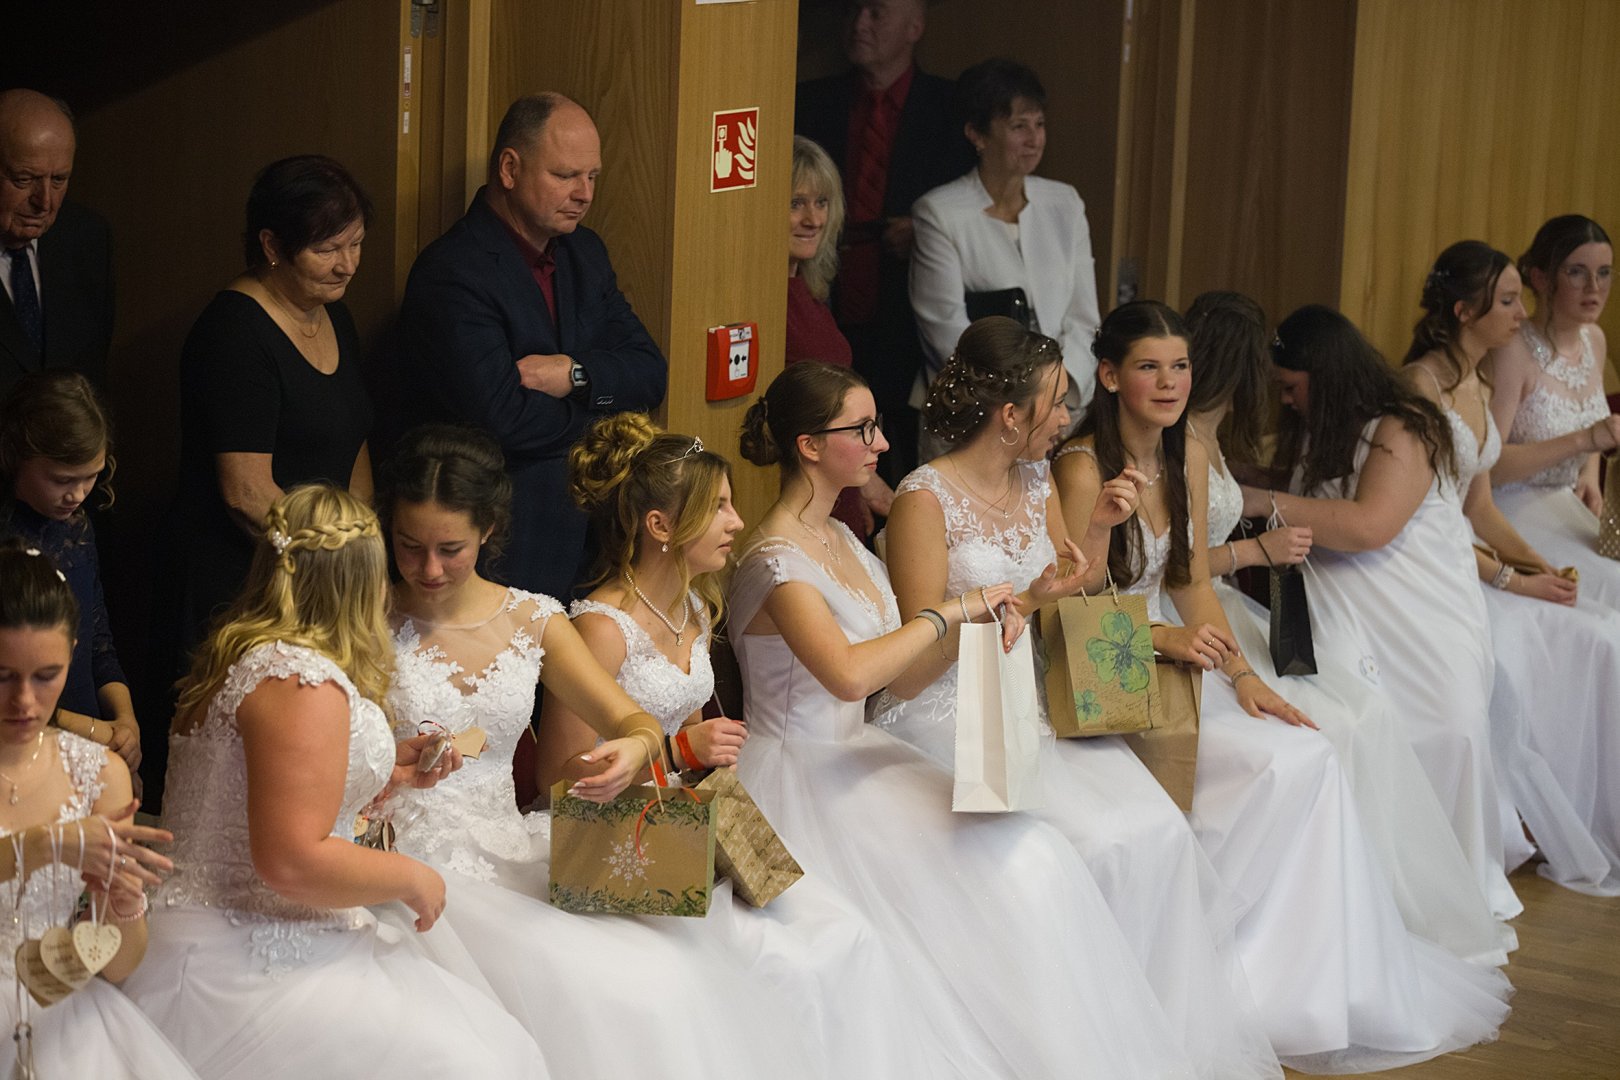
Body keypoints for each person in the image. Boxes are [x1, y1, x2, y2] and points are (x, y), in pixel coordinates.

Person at [1058, 302, 1511, 1071]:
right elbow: (1076, 602)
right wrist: (1160, 627)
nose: (1169, 383)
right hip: (1111, 658)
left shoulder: (1183, 454)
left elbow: (1189, 582)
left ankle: (1294, 987)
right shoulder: (1081, 465)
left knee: (1313, 750)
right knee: (1281, 767)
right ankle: (1220, 972)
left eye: (1179, 367)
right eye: (1148, 368)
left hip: (1181, 649)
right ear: (1109, 376)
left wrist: (1243, 677)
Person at [730, 360, 1199, 1080]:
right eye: (863, 430)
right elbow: (849, 674)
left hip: (863, 752)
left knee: (1038, 858)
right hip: (803, 773)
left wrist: (1005, 612)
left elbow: (905, 677)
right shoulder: (774, 559)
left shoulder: (844, 541)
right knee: (1017, 872)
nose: (883, 442)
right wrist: (949, 612)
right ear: (810, 446)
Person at [876, 316, 1279, 1079]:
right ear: (1010, 415)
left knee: (1154, 829)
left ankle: (1143, 1035)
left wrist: (1097, 529)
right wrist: (1017, 602)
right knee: (1088, 845)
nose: (1067, 417)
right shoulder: (922, 500)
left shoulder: (1037, 482)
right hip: (949, 708)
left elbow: (1070, 587)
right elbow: (914, 658)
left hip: (1029, 694)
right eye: (1056, 402)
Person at [377, 424, 818, 1080]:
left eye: (450, 549)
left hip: (507, 847)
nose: (430, 569)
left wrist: (641, 747)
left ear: (488, 533)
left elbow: (631, 719)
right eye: (410, 547)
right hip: (399, 847)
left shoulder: (535, 619)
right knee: (602, 990)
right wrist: (385, 766)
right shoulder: (366, 614)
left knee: (662, 975)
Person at [546, 412, 948, 1077]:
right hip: (614, 836)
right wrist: (678, 752)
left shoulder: (694, 609)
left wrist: (724, 814)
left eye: (732, 504)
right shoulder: (601, 629)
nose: (737, 522)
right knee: (760, 961)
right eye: (719, 508)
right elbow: (557, 779)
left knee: (843, 932)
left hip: (683, 817)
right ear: (661, 527)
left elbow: (696, 749)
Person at [121, 485, 548, 1079]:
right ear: (361, 580)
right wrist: (412, 877)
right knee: (473, 1061)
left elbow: (256, 789)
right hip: (247, 952)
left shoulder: (249, 658)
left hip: (233, 930)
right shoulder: (299, 681)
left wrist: (389, 771)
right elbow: (290, 860)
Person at [1183, 291, 1511, 966]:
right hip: (1339, 597)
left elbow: (1368, 525)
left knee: (1445, 728)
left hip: (1409, 598)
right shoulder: (1317, 427)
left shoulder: (1404, 426)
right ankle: (1365, 886)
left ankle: (1446, 876)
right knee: (1363, 718)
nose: (1285, 401)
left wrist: (1253, 501)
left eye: (1292, 387)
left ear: (1326, 375)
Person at [1401, 242, 1620, 895]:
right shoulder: (1419, 386)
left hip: (1474, 543)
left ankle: (1588, 805)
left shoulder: (1476, 380)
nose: (1521, 314)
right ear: (1464, 311)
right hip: (1427, 562)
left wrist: (1543, 567)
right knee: (1560, 638)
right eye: (1507, 301)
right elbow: (1428, 521)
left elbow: (1481, 506)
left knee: (1596, 623)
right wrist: (1513, 580)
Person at [399, 92, 666, 601]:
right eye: (565, 176)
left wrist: (576, 374)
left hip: (595, 541)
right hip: (504, 543)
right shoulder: (452, 271)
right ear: (509, 169)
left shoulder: (585, 252)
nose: (584, 194)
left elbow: (651, 372)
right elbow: (501, 417)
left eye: (593, 177)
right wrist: (609, 429)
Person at [166, 153, 375, 673]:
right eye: (327, 249)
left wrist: (359, 546)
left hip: (325, 574)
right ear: (273, 246)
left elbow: (352, 439)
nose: (348, 264)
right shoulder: (234, 333)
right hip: (247, 584)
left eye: (355, 244)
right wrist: (328, 564)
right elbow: (245, 493)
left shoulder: (337, 316)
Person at [0, 540, 194, 1079]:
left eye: (46, 675)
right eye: (2, 675)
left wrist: (122, 902)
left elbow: (119, 966)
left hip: (56, 1013)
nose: (24, 702)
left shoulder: (99, 774)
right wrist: (42, 846)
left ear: (72, 653)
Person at [795, 0, 975, 484]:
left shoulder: (951, 108)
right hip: (823, 297)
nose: (859, 23)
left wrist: (928, 229)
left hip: (909, 312)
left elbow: (972, 201)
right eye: (853, 10)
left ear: (915, 26)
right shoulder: (810, 101)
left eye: (876, 13)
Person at [910, 58, 1101, 442]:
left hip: (1062, 411)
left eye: (1039, 124)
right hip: (976, 416)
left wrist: (1056, 394)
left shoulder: (1065, 202)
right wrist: (1023, 400)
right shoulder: (939, 212)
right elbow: (947, 328)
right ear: (977, 134)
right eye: (1019, 126)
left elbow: (1084, 318)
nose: (1035, 139)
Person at [0, 371, 139, 771]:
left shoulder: (76, 528)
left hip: (91, 734)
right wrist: (96, 733)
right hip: (23, 742)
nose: (77, 495)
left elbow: (98, 642)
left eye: (91, 477)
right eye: (61, 479)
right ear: (17, 458)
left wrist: (125, 721)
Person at [1486, 215, 1620, 608]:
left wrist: (1590, 474)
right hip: (1512, 508)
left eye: (1604, 273)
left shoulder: (1594, 339)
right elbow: (1488, 467)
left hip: (1566, 504)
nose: (1594, 288)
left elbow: (1587, 413)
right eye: (1577, 272)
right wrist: (1584, 441)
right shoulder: (1512, 351)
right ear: (1541, 279)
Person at [786, 135, 893, 536]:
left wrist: (861, 483)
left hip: (838, 487)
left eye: (821, 202)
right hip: (798, 498)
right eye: (796, 203)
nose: (813, 219)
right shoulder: (764, 299)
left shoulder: (810, 290)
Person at [0, 90, 113, 396]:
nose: (45, 202)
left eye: (59, 180)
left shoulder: (88, 237)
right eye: (24, 180)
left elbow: (92, 378)